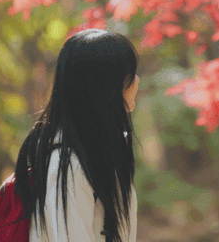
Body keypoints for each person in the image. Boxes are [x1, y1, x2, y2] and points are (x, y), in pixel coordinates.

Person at [14, 28, 140, 242]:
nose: (137, 80)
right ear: (107, 87)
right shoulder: (71, 165)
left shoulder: (94, 153)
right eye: (129, 75)